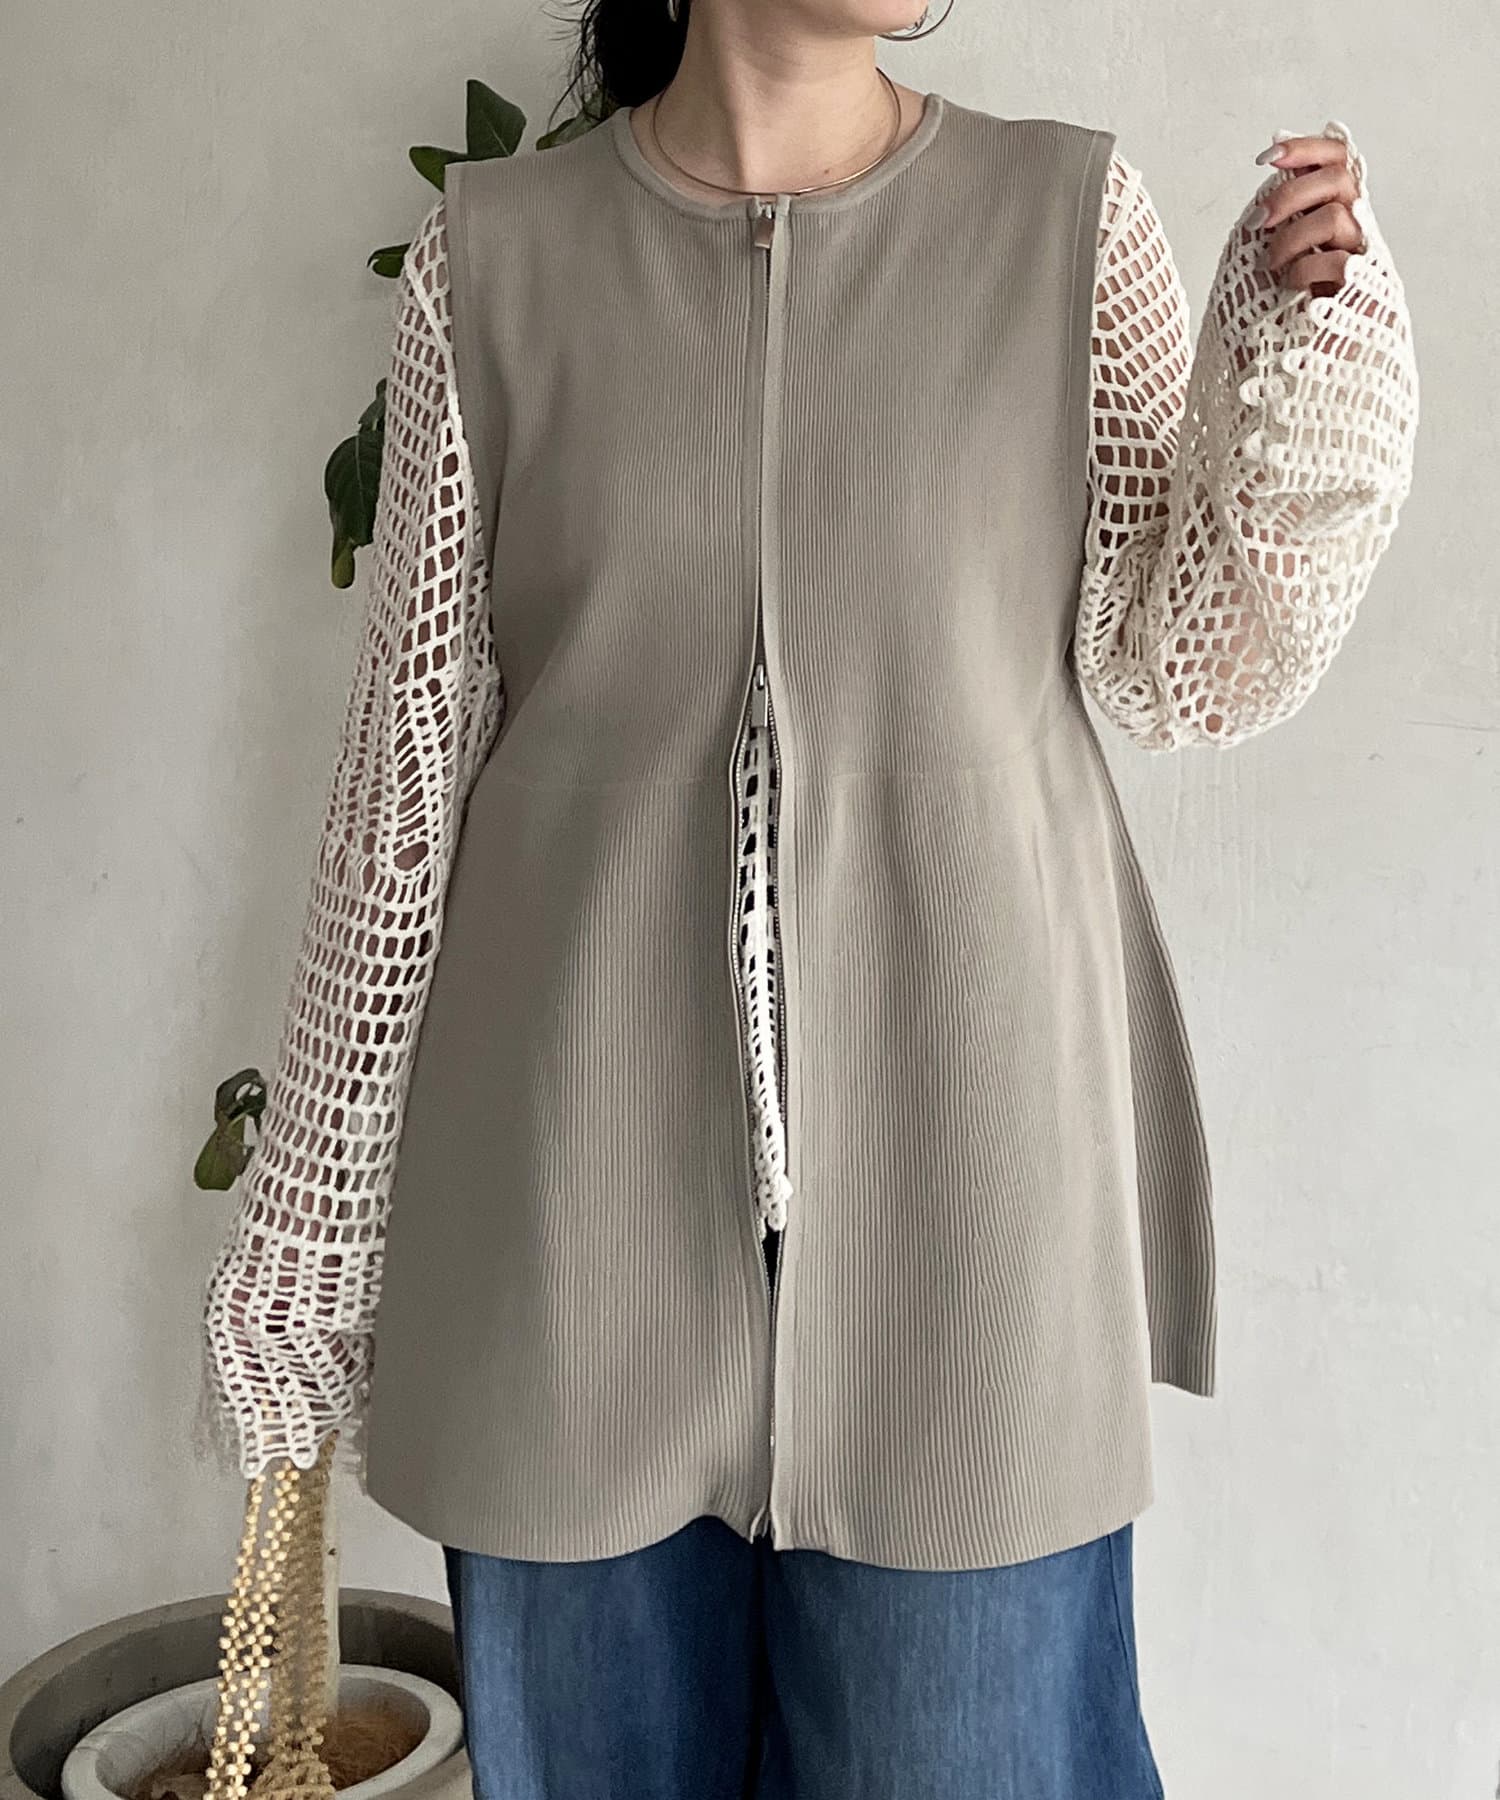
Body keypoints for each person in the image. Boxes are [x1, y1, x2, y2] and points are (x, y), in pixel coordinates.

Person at [194, 1, 1418, 1793]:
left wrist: (1300, 364)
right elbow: (404, 782)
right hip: (567, 1230)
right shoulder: (497, 259)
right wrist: (308, 1245)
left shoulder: (1066, 223)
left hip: (973, 1223)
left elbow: (1181, 666)